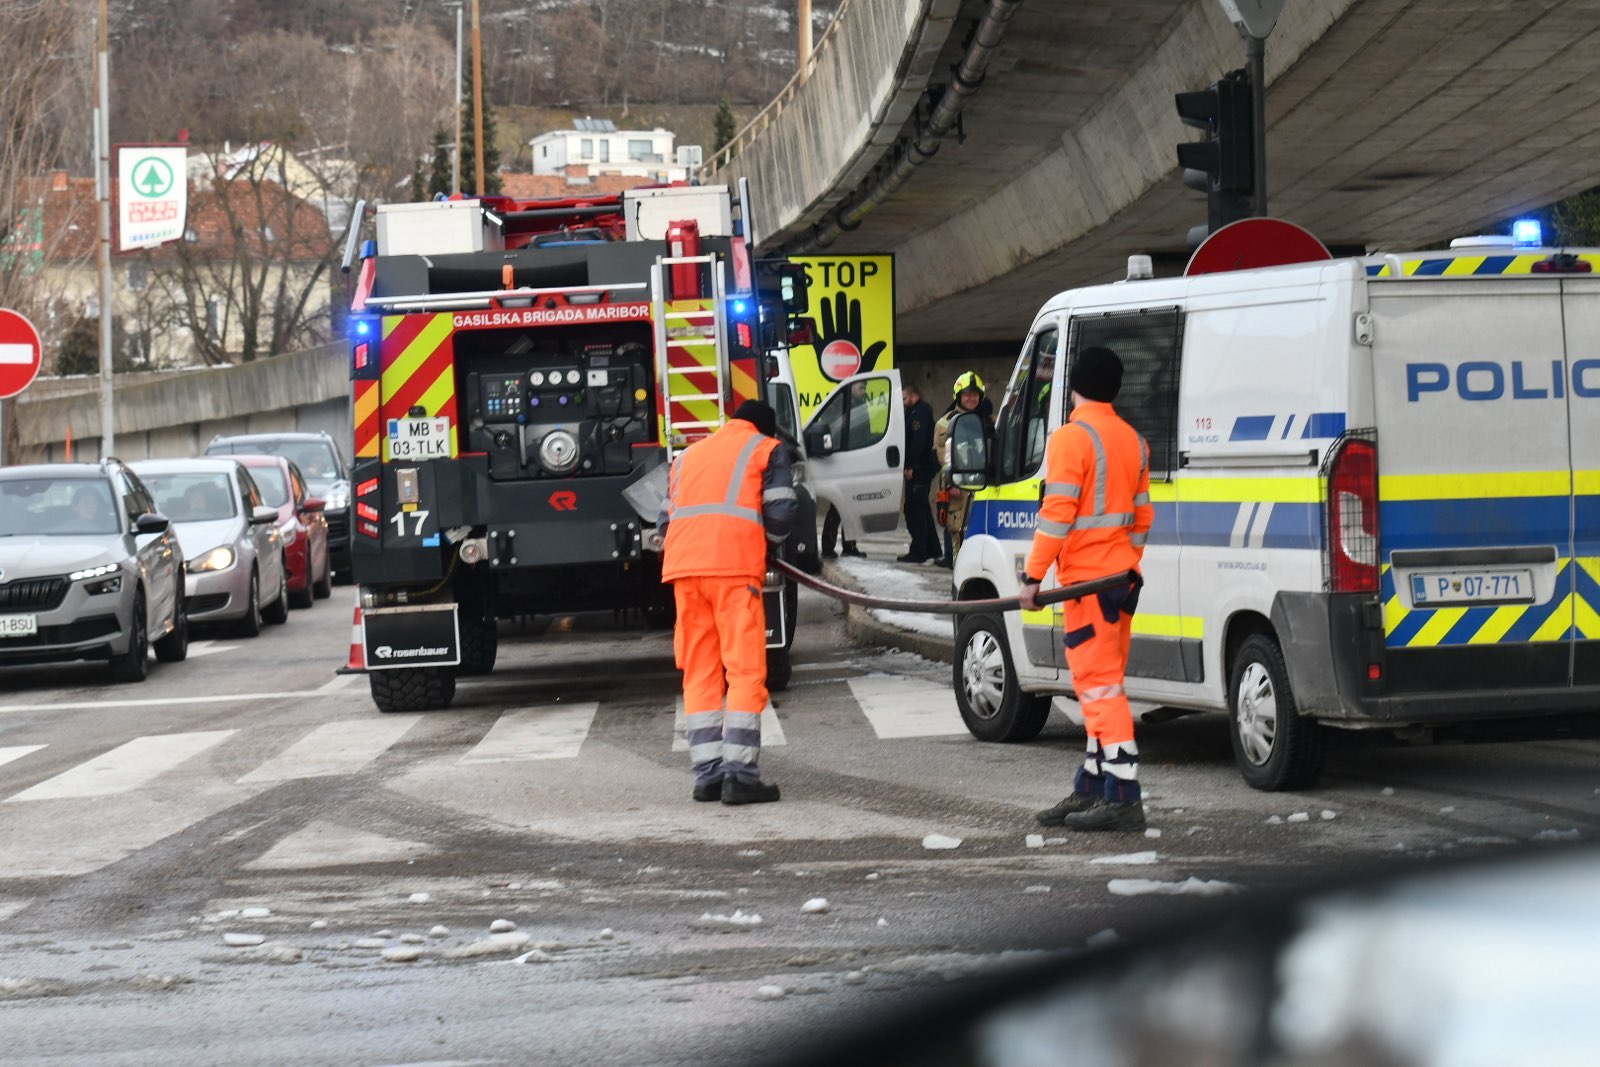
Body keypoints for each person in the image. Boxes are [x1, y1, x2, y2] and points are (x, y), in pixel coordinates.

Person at [1018, 346, 1153, 832]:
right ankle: (1093, 785)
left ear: (1074, 387)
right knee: (1100, 685)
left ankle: (1124, 796)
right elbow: (1142, 520)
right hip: (1121, 581)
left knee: (1098, 687)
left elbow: (1057, 516)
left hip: (1088, 584)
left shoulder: (1070, 439)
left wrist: (1032, 578)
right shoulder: (1135, 441)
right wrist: (1125, 562)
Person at [658, 400, 797, 805]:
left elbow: (665, 520)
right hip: (733, 569)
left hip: (685, 571)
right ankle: (741, 776)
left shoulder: (688, 455)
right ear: (765, 429)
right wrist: (767, 547)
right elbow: (782, 510)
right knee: (744, 670)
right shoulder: (765, 449)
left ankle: (707, 776)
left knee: (699, 670)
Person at [933, 371, 992, 567]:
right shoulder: (945, 423)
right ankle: (959, 580)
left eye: (975, 394)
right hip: (958, 487)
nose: (971, 398)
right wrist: (951, 482)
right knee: (958, 533)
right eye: (967, 394)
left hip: (983, 486)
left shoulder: (984, 421)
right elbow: (944, 457)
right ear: (958, 395)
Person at [898, 383, 941, 564]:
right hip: (922, 468)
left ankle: (918, 551)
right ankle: (932, 549)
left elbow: (918, 443)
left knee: (914, 509)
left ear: (914, 397)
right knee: (922, 508)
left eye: (905, 398)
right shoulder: (915, 412)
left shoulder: (919, 414)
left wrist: (910, 467)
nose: (903, 402)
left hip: (920, 469)